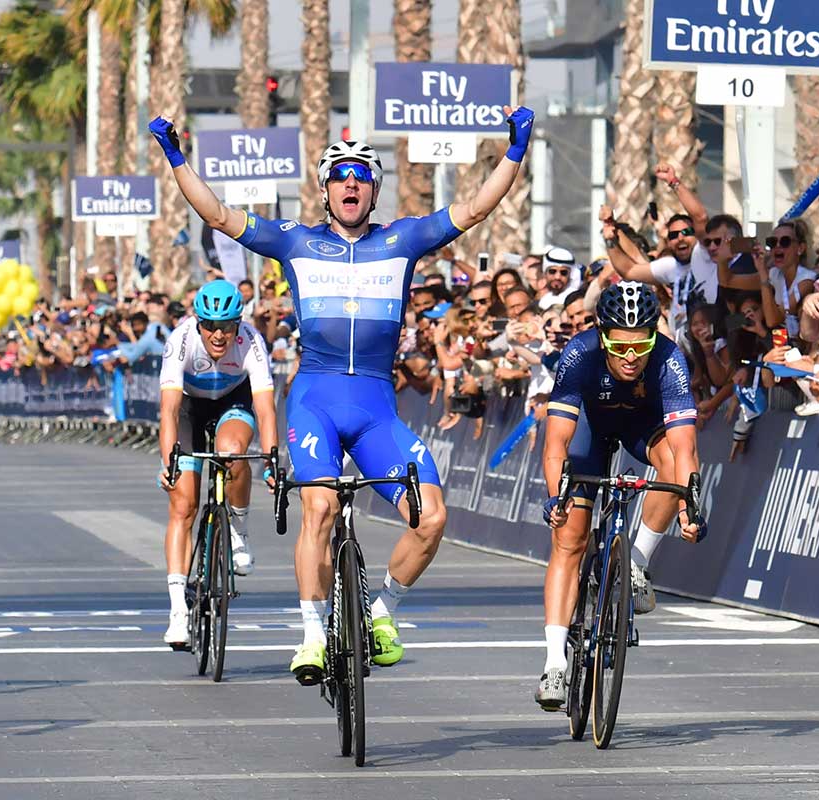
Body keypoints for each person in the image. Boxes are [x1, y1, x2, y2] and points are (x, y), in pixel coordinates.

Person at [150, 102, 534, 682]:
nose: (350, 183)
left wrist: (515, 150)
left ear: (373, 192)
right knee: (321, 507)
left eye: (360, 177)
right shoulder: (295, 242)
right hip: (317, 403)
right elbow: (220, 213)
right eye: (339, 177)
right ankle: (310, 635)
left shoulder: (402, 240)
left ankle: (382, 611)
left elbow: (477, 207)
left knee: (431, 517)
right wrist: (177, 158)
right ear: (325, 191)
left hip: (378, 408)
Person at [536, 281, 703, 711]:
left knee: (669, 464)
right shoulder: (579, 354)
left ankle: (636, 563)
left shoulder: (669, 359)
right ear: (602, 334)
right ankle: (555, 662)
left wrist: (690, 506)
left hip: (638, 425)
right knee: (569, 540)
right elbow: (556, 444)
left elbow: (686, 449)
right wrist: (558, 497)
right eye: (620, 345)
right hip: (588, 429)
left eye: (641, 345)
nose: (631, 357)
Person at [157, 280, 278, 648]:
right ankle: (178, 610)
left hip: (233, 401)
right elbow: (170, 409)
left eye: (227, 325)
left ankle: (238, 531)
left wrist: (272, 460)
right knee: (184, 504)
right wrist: (169, 463)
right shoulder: (180, 341)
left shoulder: (251, 342)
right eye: (209, 325)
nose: (218, 334)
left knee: (232, 452)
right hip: (190, 408)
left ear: (238, 324)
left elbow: (265, 408)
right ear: (198, 323)